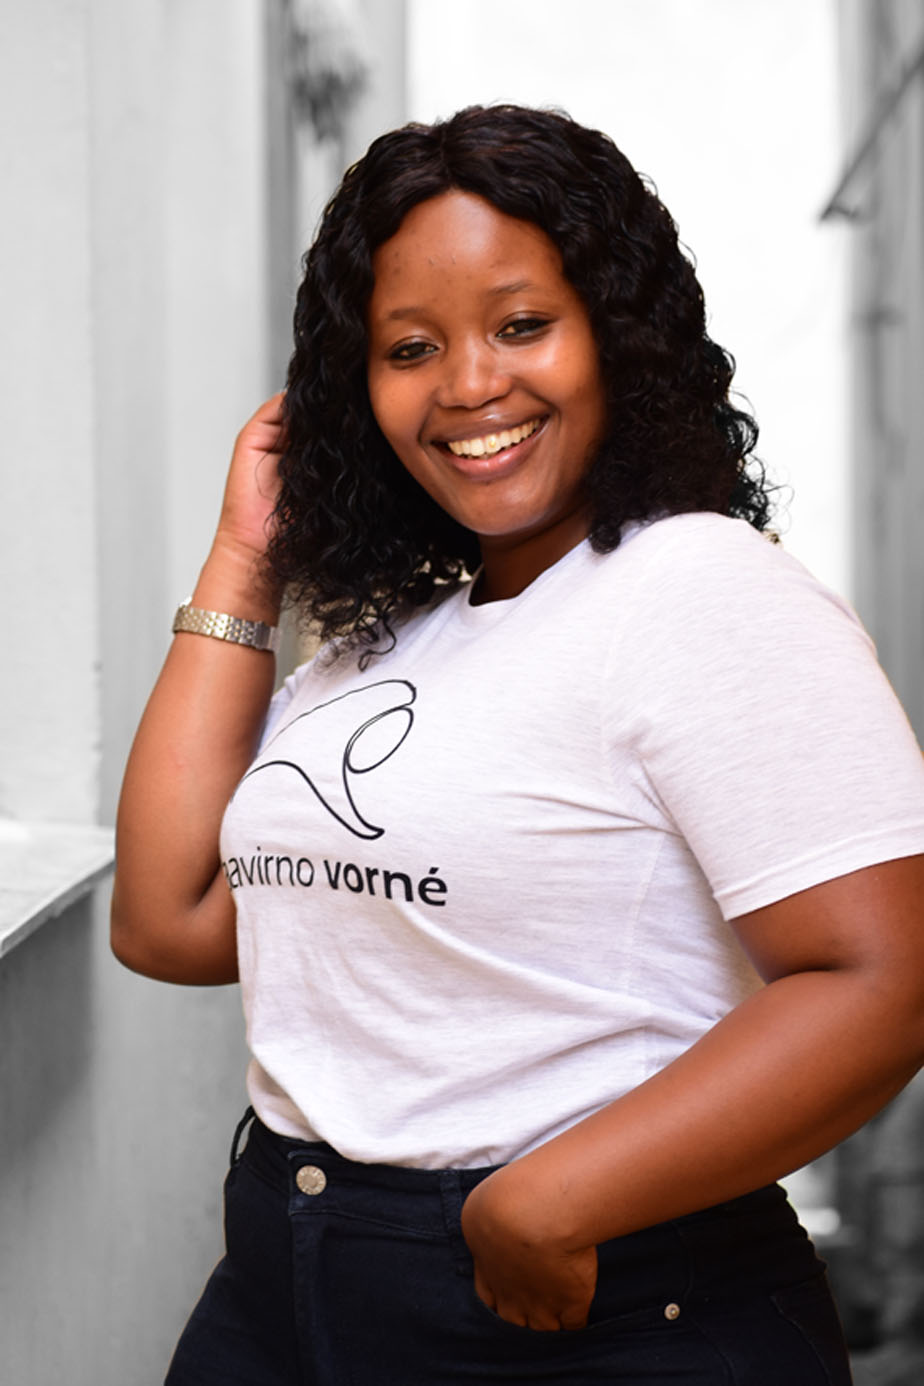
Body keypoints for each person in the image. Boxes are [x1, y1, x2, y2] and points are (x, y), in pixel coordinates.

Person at [111, 104, 924, 1384]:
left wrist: (549, 1199)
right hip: (284, 1279)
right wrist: (243, 557)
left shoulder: (701, 589)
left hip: (592, 1302)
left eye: (522, 324)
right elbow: (168, 922)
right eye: (410, 347)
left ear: (617, 336)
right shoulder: (391, 641)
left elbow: (880, 982)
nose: (469, 385)